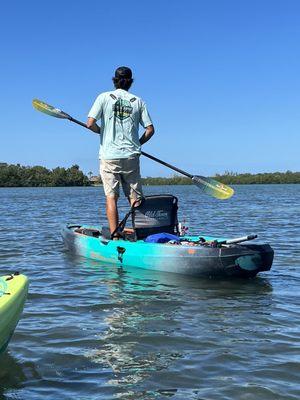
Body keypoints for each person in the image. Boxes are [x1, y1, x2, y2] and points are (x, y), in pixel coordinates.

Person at [87, 66, 155, 238]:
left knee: (111, 197)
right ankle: (141, 234)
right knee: (135, 198)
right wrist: (138, 143)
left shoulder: (103, 97)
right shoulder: (138, 101)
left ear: (114, 80)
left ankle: (115, 235)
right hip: (131, 155)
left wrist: (100, 131)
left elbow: (90, 123)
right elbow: (150, 130)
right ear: (130, 82)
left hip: (109, 156)